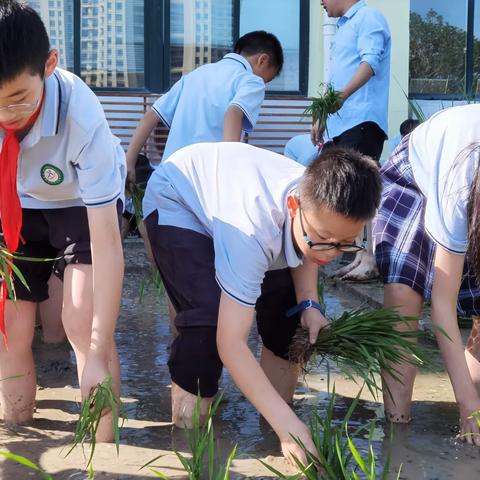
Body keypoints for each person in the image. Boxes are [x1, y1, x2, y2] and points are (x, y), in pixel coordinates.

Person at [142, 141, 381, 463]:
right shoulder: (254, 229)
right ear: (295, 207)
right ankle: (188, 444)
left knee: (289, 318)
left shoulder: (322, 200)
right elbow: (231, 343)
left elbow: (313, 249)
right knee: (206, 325)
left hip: (242, 201)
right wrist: (290, 428)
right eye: (325, 240)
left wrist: (309, 303)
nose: (332, 252)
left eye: (346, 245)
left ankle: (272, 423)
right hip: (180, 200)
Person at [0, 1, 125, 441]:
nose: (5, 117)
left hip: (79, 203)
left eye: (18, 99)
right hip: (17, 202)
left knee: (82, 318)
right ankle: (19, 434)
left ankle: (105, 454)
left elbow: (108, 246)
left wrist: (94, 349)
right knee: (11, 331)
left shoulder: (80, 116)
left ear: (49, 65)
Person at [373, 104, 480, 445]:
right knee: (405, 294)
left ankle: (471, 416)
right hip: (414, 176)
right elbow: (443, 308)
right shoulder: (460, 181)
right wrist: (467, 404)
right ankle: (397, 427)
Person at [125, 30, 284, 186]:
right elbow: (233, 113)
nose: (263, 83)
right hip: (205, 182)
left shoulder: (195, 75)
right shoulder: (250, 80)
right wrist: (229, 169)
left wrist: (129, 163)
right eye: (265, 79)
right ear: (262, 60)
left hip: (168, 178)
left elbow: (150, 116)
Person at [313, 0, 391, 281]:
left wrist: (342, 98)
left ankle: (370, 257)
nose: (319, 2)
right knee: (345, 191)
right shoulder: (342, 27)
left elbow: (370, 62)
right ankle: (360, 255)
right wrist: (323, 115)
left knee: (363, 190)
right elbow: (337, 77)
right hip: (341, 123)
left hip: (362, 119)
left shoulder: (369, 17)